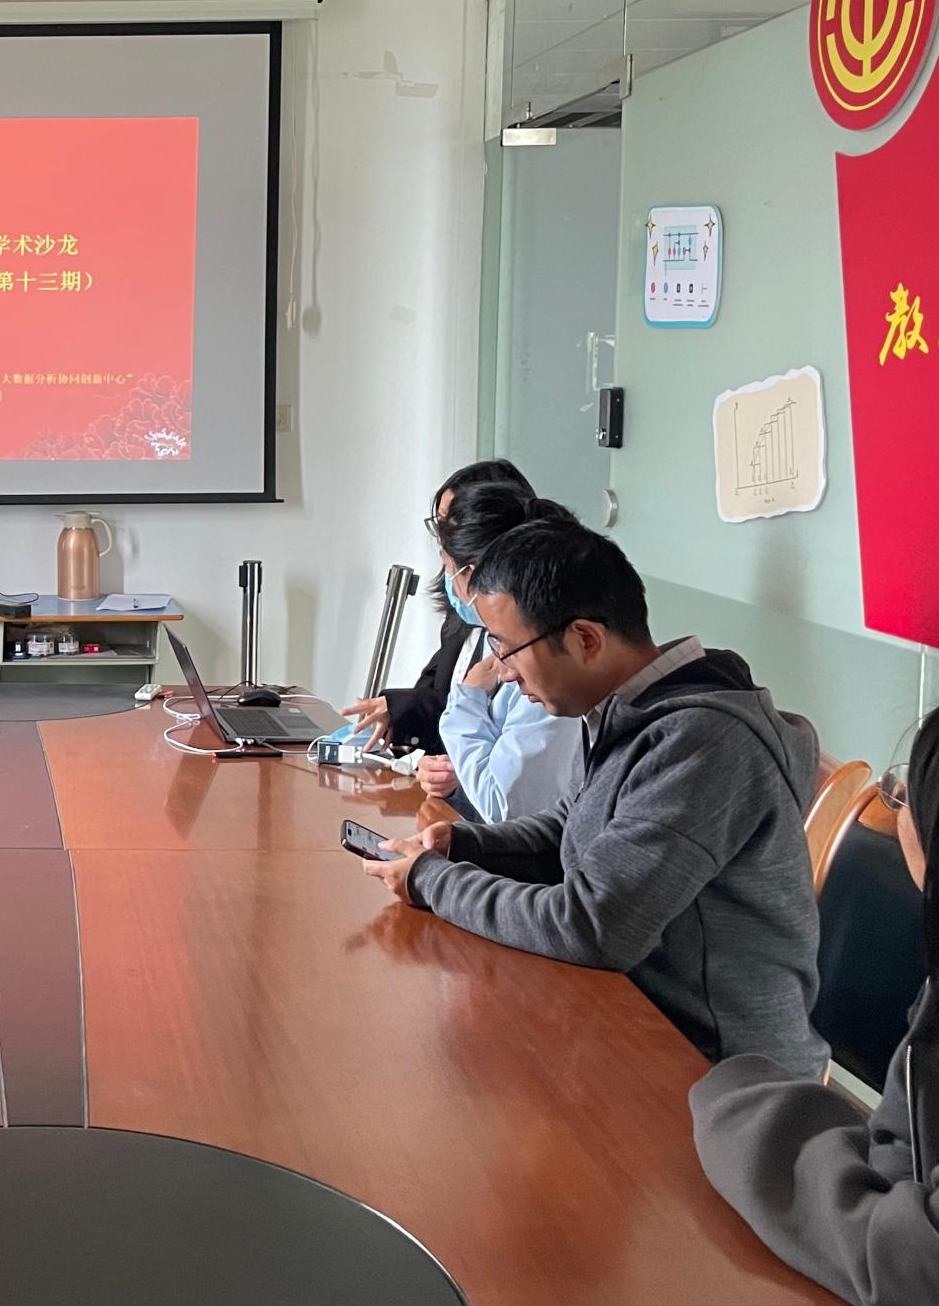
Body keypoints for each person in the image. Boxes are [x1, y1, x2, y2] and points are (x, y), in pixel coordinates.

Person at [358, 518, 829, 1078]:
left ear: (585, 639)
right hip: (630, 1018)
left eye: (508, 650)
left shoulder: (703, 740)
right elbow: (576, 821)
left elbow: (593, 926)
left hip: (717, 1071)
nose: (504, 675)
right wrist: (464, 845)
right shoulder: (631, 708)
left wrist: (430, 880)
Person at [692, 708, 939, 1302]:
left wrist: (730, 1100)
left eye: (907, 792)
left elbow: (913, 1263)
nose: (898, 806)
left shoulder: (711, 738)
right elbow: (901, 1142)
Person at [341, 458, 535, 755]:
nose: (443, 540)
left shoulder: (524, 636)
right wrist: (398, 711)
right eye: (440, 523)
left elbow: (502, 755)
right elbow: (438, 692)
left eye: (451, 523)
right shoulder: (461, 615)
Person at [420, 483, 584, 823]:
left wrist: (467, 701)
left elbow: (505, 808)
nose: (508, 670)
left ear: (474, 573)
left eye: (449, 567)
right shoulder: (493, 635)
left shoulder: (546, 659)